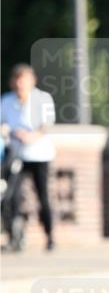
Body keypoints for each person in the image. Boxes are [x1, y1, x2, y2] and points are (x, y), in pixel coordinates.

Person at [0, 63, 56, 250]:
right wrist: (7, 131)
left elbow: (46, 125)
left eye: (23, 80)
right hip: (17, 155)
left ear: (32, 81)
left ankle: (49, 236)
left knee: (43, 196)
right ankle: (15, 237)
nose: (20, 85)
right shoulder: (7, 101)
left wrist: (31, 136)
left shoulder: (43, 99)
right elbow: (3, 124)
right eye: (17, 80)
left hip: (39, 155)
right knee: (10, 196)